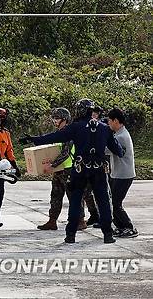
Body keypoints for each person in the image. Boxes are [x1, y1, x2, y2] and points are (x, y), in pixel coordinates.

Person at [20, 99, 124, 244]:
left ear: (80, 111)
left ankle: (70, 236)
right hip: (98, 170)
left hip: (80, 169)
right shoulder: (105, 128)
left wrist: (34, 139)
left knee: (75, 202)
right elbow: (118, 151)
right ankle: (108, 235)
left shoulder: (76, 127)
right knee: (103, 202)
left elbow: (54, 137)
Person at [37, 108, 96, 231]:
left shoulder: (70, 132)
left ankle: (80, 221)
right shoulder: (60, 132)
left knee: (74, 196)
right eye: (54, 118)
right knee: (55, 195)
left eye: (57, 118)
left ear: (65, 119)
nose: (55, 121)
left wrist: (52, 165)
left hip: (69, 169)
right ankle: (52, 221)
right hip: (59, 170)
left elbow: (65, 153)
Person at [106, 108, 138, 238]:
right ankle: (120, 227)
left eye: (109, 121)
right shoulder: (119, 134)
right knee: (113, 202)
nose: (108, 123)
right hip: (117, 174)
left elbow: (107, 150)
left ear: (116, 121)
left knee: (116, 204)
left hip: (124, 175)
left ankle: (129, 227)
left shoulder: (121, 136)